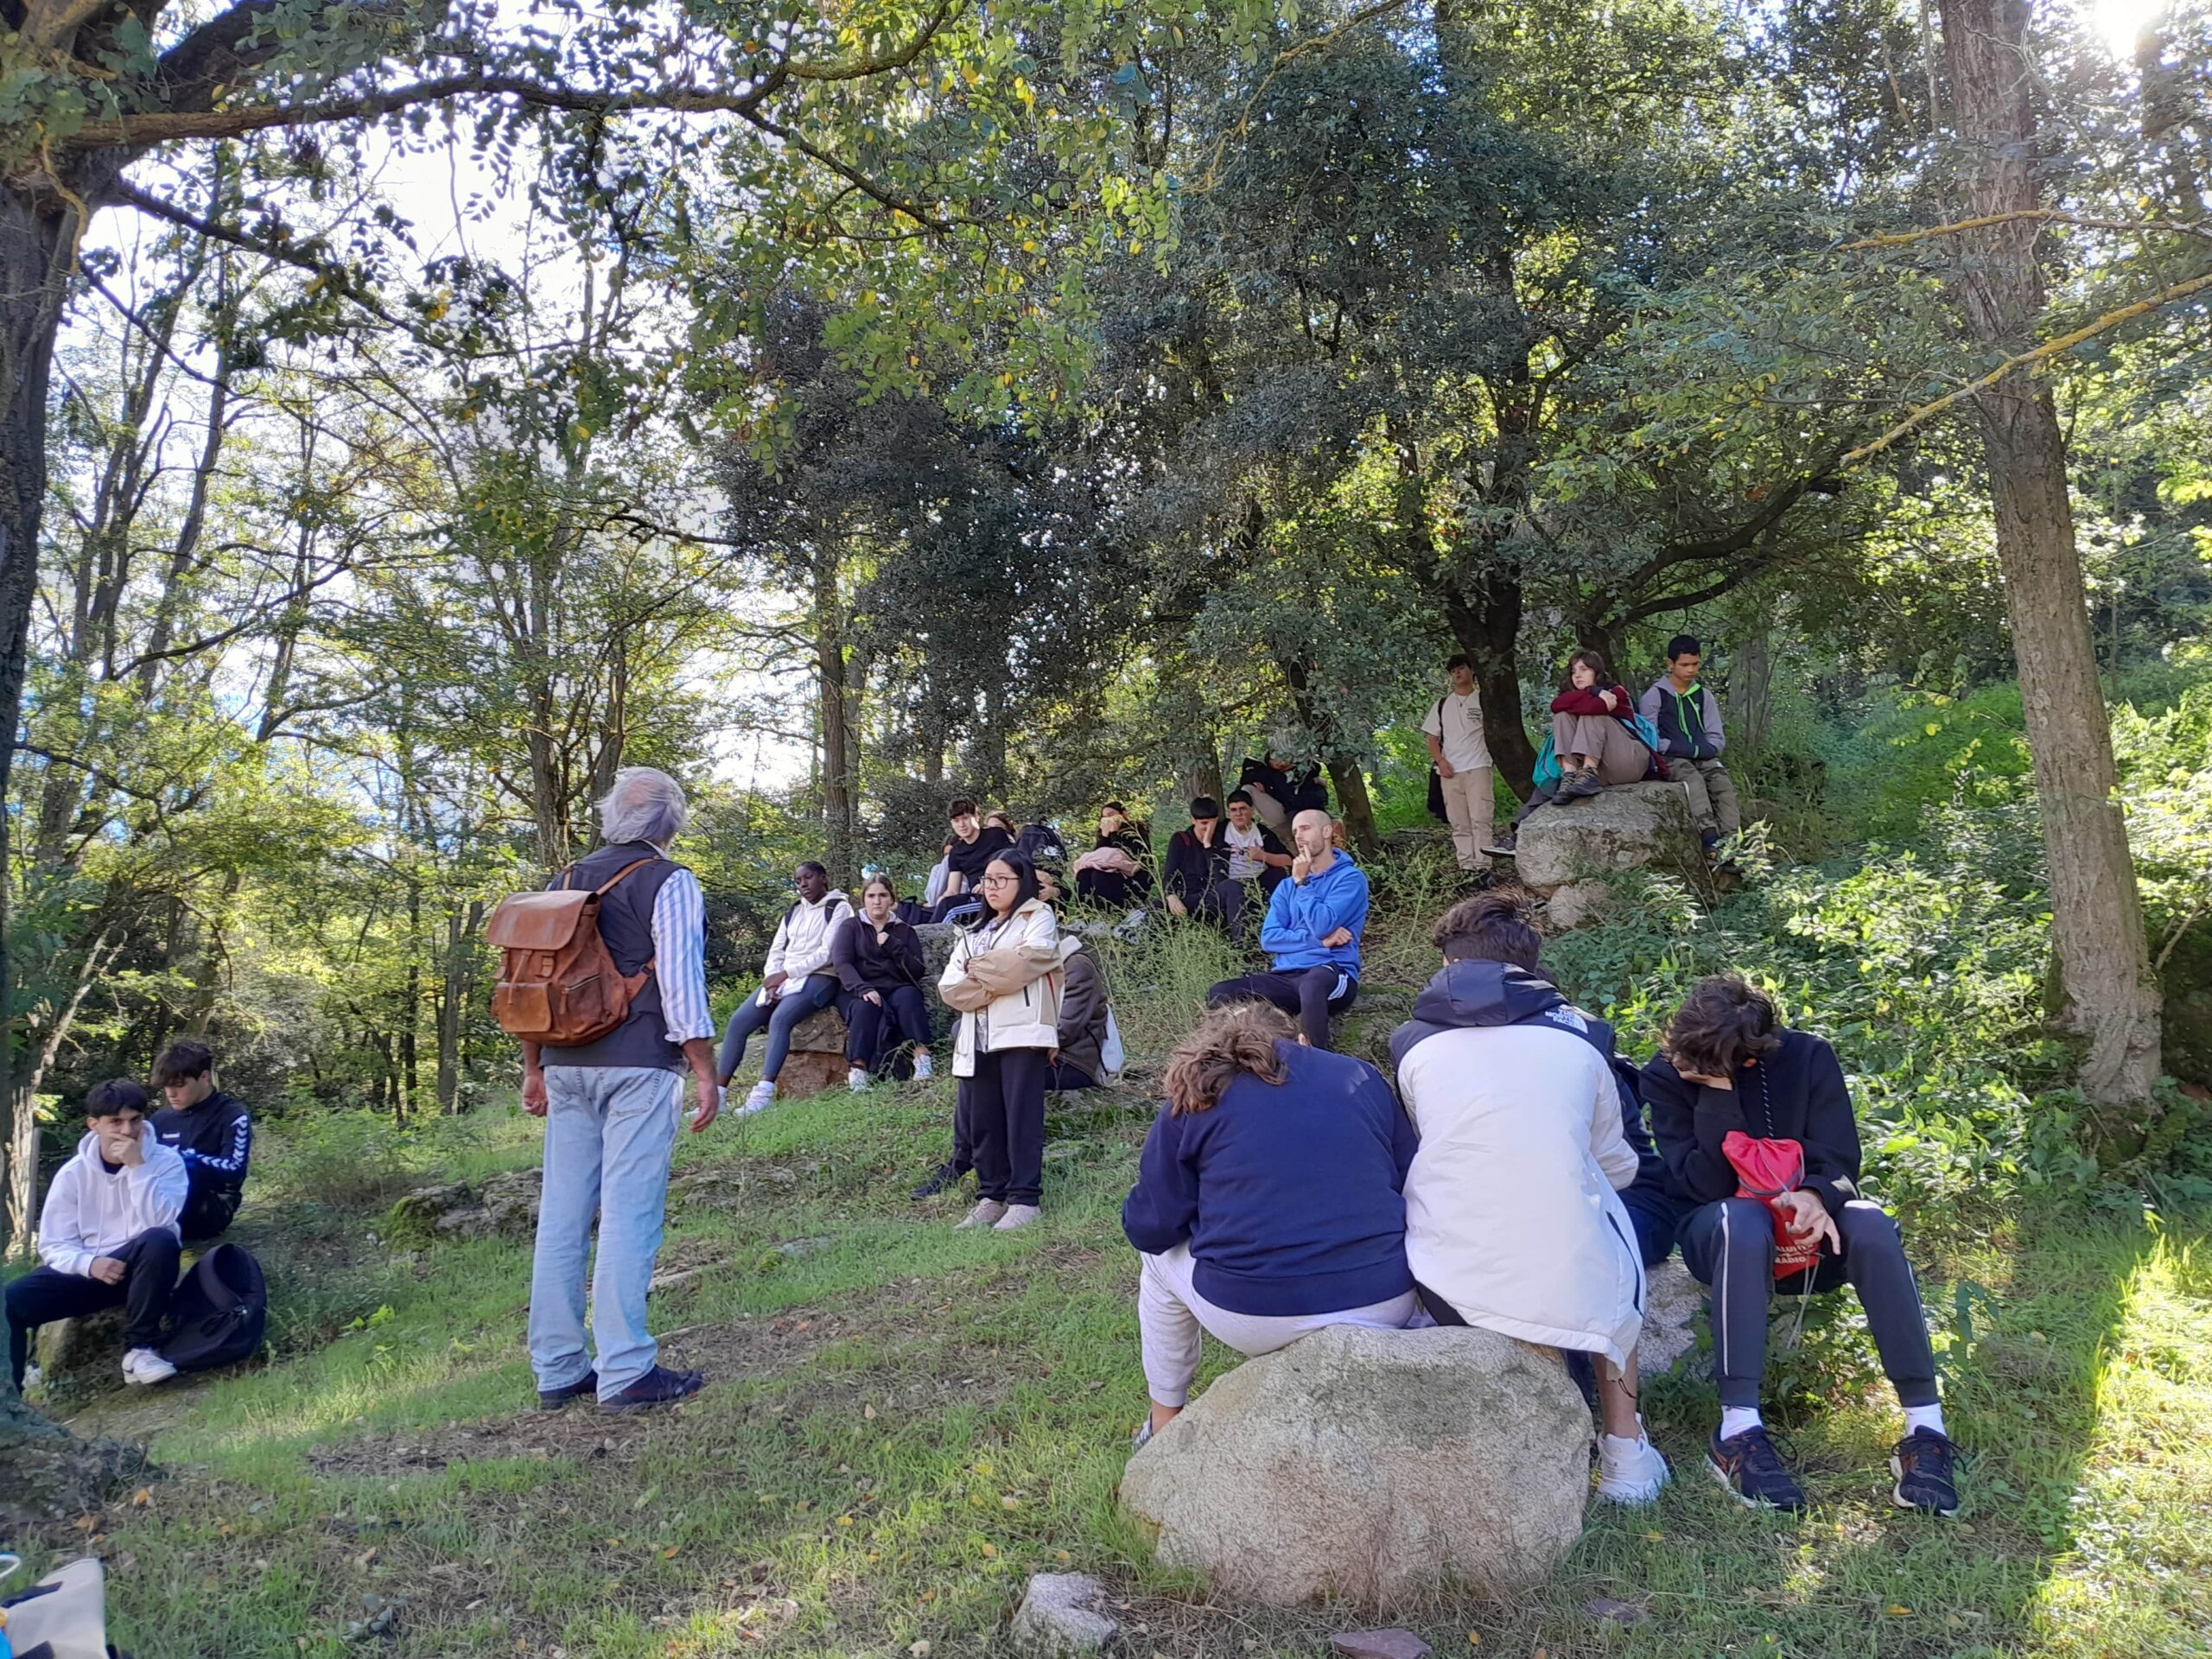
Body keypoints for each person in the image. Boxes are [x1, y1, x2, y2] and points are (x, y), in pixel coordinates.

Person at [1388, 893, 1670, 1504]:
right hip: (1562, 1261)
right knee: (1609, 1230)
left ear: (1449, 965)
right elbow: (1619, 1165)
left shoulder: (1409, 1043)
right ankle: (1625, 1452)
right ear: (1530, 967)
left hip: (1443, 1268)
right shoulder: (1584, 1037)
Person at [1642, 976, 1960, 1516]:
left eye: (1737, 1064)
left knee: (1871, 1222)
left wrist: (1815, 1195)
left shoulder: (1809, 1056)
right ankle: (1737, 1431)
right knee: (1741, 1219)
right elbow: (1702, 1185)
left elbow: (1841, 1161)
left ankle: (1925, 1429)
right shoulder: (1668, 1073)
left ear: (1759, 1050)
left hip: (1811, 1227)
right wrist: (1715, 1092)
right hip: (1719, 1231)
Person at [1121, 1001, 1418, 1445]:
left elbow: (1150, 1228)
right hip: (1385, 1300)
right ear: (1301, 1041)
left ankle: (1163, 1422)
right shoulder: (1360, 1075)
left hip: (1254, 1313)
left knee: (1157, 1262)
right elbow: (1412, 1182)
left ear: (1209, 1048)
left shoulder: (1195, 1093)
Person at [521, 767, 720, 1415]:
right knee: (630, 1215)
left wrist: (533, 1066)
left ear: (612, 818)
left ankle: (557, 1368)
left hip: (563, 1062)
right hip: (639, 1063)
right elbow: (682, 984)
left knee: (562, 1218)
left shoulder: (563, 880)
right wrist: (704, 1069)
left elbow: (529, 981)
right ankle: (627, 1370)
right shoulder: (669, 880)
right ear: (671, 824)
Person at [6, 1079, 188, 1391]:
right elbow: (54, 1244)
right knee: (9, 1301)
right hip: (90, 1271)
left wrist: (137, 1168)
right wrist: (89, 1264)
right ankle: (9, 1396)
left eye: (135, 1120)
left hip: (145, 1267)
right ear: (94, 1125)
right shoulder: (73, 1174)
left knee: (160, 1238)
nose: (128, 1130)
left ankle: (140, 1350)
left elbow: (161, 1221)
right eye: (116, 1122)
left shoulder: (167, 1162)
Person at [938, 849, 1063, 1231]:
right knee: (984, 1120)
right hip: (978, 1035)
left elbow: (1025, 964)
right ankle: (991, 1197)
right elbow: (950, 988)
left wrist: (977, 972)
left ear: (1021, 881)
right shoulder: (973, 930)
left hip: (1023, 1030)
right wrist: (995, 978)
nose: (991, 887)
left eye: (1001, 879)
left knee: (1021, 1118)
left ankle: (1025, 1200)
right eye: (987, 880)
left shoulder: (1038, 917)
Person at [1206, 808, 1366, 1051]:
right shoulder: (1285, 886)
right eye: (1295, 831)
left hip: (1331, 971)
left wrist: (1303, 883)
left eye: (1305, 828)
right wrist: (1320, 942)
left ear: (1326, 832)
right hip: (1286, 976)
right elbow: (1269, 939)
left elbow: (1323, 924)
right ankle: (1236, 1060)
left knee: (1313, 985)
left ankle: (1315, 1061)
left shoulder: (1349, 879)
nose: (1298, 836)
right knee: (1220, 992)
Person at [717, 861, 855, 1114]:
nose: (803, 884)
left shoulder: (839, 908)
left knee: (780, 1020)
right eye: (798, 881)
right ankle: (718, 1096)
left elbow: (827, 953)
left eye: (808, 877)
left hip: (820, 977)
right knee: (738, 1022)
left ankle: (763, 1092)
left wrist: (786, 974)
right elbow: (777, 949)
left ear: (823, 878)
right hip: (784, 978)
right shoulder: (793, 911)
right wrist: (772, 979)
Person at [1640, 634, 1741, 854]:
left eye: (1695, 664)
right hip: (1670, 758)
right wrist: (1675, 748)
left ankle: (1733, 844)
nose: (1691, 670)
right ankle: (1711, 841)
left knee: (1723, 785)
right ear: (1670, 664)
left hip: (1703, 756)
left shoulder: (1704, 696)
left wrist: (1706, 749)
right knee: (1693, 780)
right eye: (1685, 665)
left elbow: (1716, 737)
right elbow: (1650, 737)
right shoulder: (1655, 696)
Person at [833, 874, 934, 1090]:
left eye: (882, 895)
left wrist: (893, 945)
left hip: (895, 986)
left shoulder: (904, 930)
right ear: (864, 899)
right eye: (871, 896)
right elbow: (842, 963)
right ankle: (858, 1072)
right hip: (857, 988)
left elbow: (917, 970)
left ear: (892, 899)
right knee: (867, 1006)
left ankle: (922, 1060)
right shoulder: (851, 927)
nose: (877, 901)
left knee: (909, 997)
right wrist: (862, 988)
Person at [149, 1038, 251, 1242]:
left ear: (205, 1077)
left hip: (212, 1207)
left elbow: (235, 1170)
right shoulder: (160, 1119)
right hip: (161, 1204)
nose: (171, 1094)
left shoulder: (232, 1115)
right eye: (166, 1086)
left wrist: (184, 1159)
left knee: (183, 1167)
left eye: (180, 1085)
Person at [1549, 648, 1656, 802]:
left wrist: (1595, 693)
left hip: (1627, 761)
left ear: (1597, 672)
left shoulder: (1616, 692)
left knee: (1592, 714)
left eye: (1584, 669)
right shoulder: (1577, 696)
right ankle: (1570, 773)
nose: (1577, 675)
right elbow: (1556, 705)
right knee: (1562, 716)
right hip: (1602, 770)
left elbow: (1595, 707)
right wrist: (1593, 691)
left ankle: (1589, 771)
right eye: (1573, 672)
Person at [1421, 653, 1494, 874]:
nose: (1457, 674)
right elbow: (1432, 738)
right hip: (1450, 771)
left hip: (1478, 766)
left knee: (1481, 818)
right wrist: (1441, 761)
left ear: (1472, 670)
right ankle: (1466, 867)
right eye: (1453, 671)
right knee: (1459, 822)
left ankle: (1483, 867)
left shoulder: (1483, 700)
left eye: (1461, 668)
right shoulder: (1442, 705)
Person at [1162, 797, 1243, 937]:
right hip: (1186, 899)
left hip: (1209, 898)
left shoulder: (1221, 843)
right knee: (1156, 907)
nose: (1207, 828)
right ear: (1193, 821)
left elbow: (1220, 879)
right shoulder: (1181, 840)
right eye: (1204, 823)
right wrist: (1170, 895)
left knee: (1232, 886)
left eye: (1212, 823)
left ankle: (1240, 941)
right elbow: (1169, 872)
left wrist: (1208, 846)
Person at [931, 798, 1015, 920]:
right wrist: (941, 900)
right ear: (952, 823)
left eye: (965, 818)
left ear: (976, 817)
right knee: (943, 904)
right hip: (976, 898)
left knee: (949, 909)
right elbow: (953, 890)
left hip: (999, 893)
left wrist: (988, 883)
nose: (961, 825)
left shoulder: (996, 835)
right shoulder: (956, 852)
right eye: (956, 821)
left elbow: (1014, 863)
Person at [1049, 938, 1115, 1091]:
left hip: (1072, 1062)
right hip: (1044, 1055)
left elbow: (1064, 1031)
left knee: (1007, 1076)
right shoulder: (1035, 969)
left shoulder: (1076, 967)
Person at [1073, 803, 1152, 909]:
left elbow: (1130, 854)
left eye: (1111, 815)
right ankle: (1085, 913)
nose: (1108, 819)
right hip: (1110, 874)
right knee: (1084, 874)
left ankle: (1108, 912)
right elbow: (1100, 857)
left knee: (1099, 876)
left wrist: (1115, 834)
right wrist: (1105, 837)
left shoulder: (1136, 830)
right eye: (1104, 817)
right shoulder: (1104, 835)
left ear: (1123, 814)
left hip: (1133, 878)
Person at [1236, 749, 1327, 840]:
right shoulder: (1272, 775)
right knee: (1247, 789)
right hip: (1284, 812)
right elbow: (1248, 769)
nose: (1277, 762)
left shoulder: (1305, 771)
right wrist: (1254, 782)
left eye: (1278, 758)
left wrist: (1310, 781)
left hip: (1308, 809)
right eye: (1272, 760)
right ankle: (1245, 826)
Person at [1222, 790, 1292, 902]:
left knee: (1283, 873)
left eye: (1242, 809)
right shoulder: (1221, 831)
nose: (1238, 814)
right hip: (1232, 883)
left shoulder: (1263, 832)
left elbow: (1289, 860)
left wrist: (1263, 856)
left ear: (1252, 810)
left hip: (1259, 881)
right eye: (1234, 810)